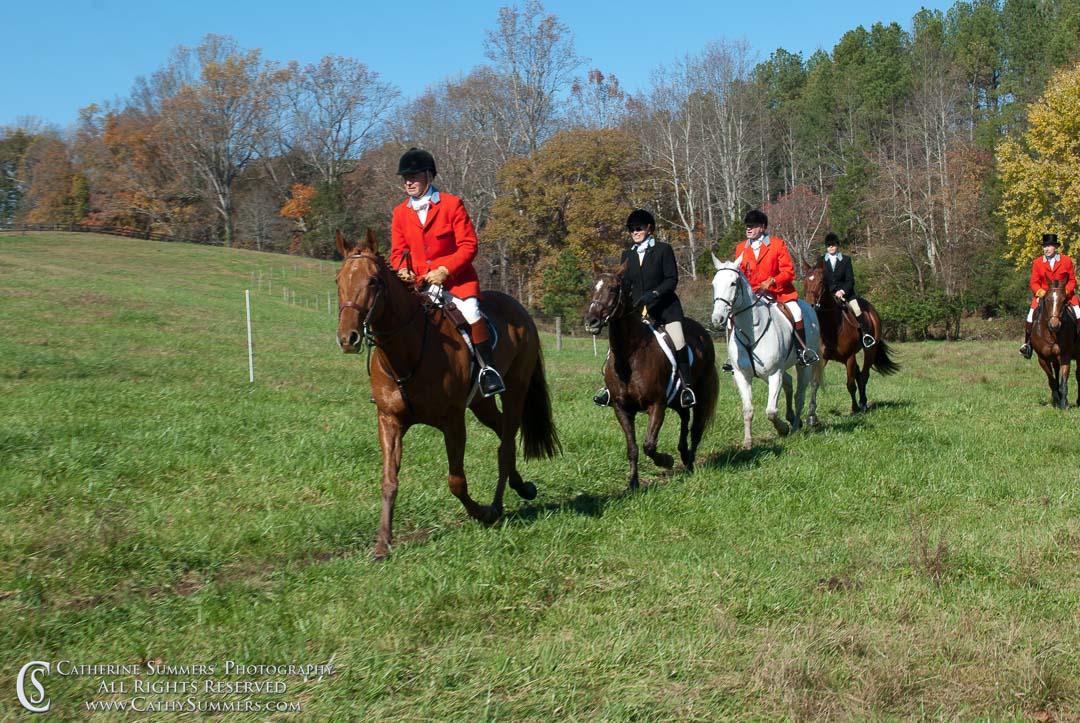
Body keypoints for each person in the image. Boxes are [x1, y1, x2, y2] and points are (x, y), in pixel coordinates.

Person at [390, 147, 505, 396]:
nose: (408, 182)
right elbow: (397, 252)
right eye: (405, 177)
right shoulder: (400, 213)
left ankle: (488, 371)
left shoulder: (452, 205)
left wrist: (445, 270)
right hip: (420, 285)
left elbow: (469, 245)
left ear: (429, 176)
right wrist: (402, 270)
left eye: (414, 176)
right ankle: (398, 378)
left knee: (472, 312)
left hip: (456, 283)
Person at [594, 209, 696, 408]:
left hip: (665, 309)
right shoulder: (627, 255)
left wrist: (654, 294)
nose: (635, 232)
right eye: (632, 229)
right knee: (617, 344)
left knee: (679, 341)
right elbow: (624, 285)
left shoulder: (663, 249)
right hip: (638, 313)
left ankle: (686, 388)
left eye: (638, 228)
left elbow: (671, 279)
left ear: (649, 229)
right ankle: (609, 388)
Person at [734, 209, 819, 365]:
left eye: (752, 226)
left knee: (797, 312)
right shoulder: (741, 248)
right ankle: (733, 358)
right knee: (730, 318)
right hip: (752, 295)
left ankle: (802, 352)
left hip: (778, 293)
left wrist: (772, 281)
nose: (748, 228)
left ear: (763, 227)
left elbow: (788, 271)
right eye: (747, 226)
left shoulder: (777, 244)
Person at [1019, 232, 1080, 359]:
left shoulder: (1066, 260)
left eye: (1049, 246)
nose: (1046, 249)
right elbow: (1034, 282)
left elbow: (1072, 280)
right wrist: (1040, 292)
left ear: (1055, 247)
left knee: (1078, 313)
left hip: (1064, 296)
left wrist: (1065, 292)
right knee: (1030, 316)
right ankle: (1027, 345)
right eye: (1044, 246)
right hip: (1044, 296)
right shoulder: (1037, 262)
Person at [821, 232, 875, 348]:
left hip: (846, 295)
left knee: (857, 309)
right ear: (826, 246)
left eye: (833, 245)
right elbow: (820, 279)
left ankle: (866, 335)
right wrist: (832, 291)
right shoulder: (821, 261)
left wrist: (842, 291)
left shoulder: (846, 260)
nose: (831, 247)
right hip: (828, 295)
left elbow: (850, 280)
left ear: (837, 245)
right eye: (829, 245)